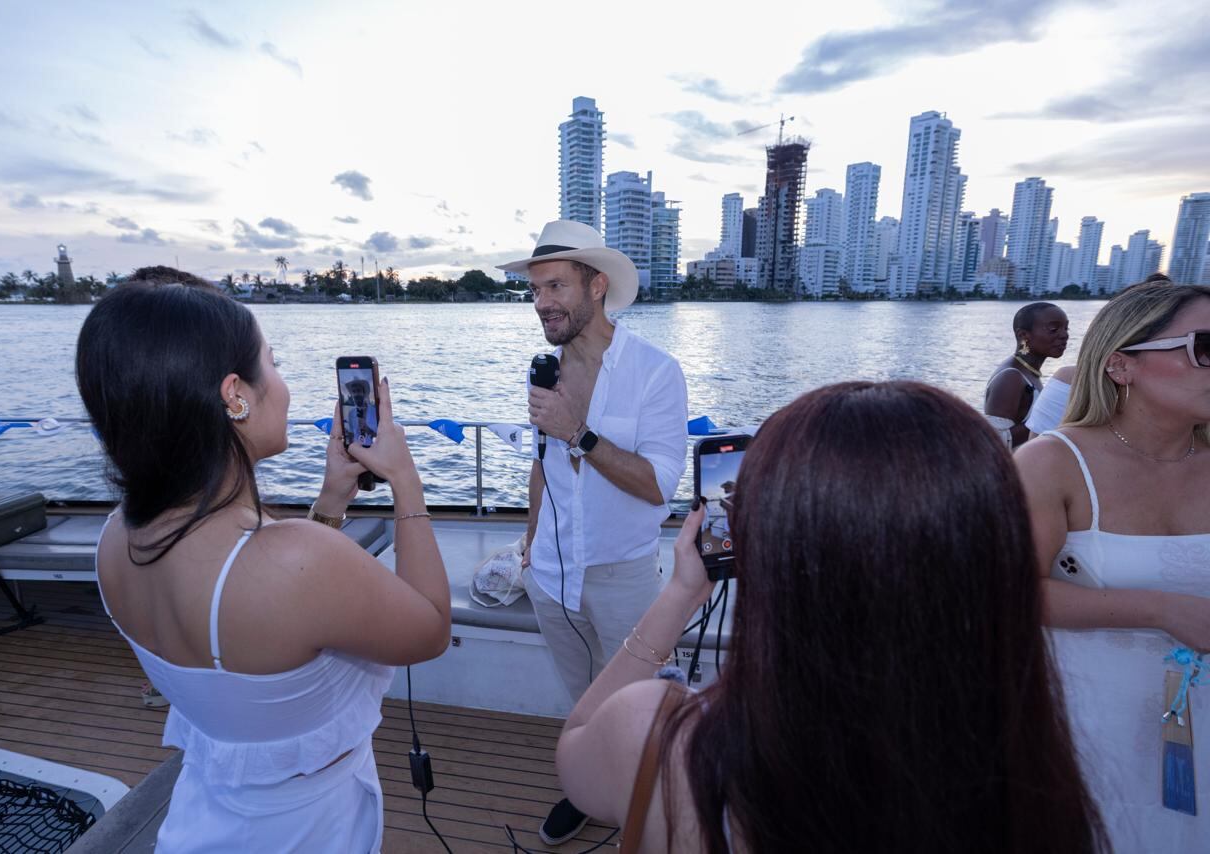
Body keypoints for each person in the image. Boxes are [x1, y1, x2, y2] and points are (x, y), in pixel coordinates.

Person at [558, 381, 1108, 853]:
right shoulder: (1031, 772)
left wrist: (680, 593)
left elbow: (577, 750)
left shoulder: (657, 733)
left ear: (770, 547)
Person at [75, 277, 451, 853]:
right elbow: (431, 629)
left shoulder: (115, 538)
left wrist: (331, 500)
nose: (283, 384)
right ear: (235, 395)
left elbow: (271, 607)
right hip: (308, 830)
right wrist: (405, 479)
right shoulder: (295, 558)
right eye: (272, 364)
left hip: (206, 818)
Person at [498, 220, 689, 845]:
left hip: (622, 576)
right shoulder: (544, 371)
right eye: (535, 290)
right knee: (584, 703)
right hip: (552, 575)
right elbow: (542, 465)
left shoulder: (656, 372)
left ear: (597, 286)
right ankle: (586, 788)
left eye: (555, 286)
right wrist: (530, 543)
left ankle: (651, 810)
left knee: (641, 708)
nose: (541, 302)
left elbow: (659, 485)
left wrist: (578, 432)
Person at [1016, 281, 1210, 850]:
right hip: (1091, 728)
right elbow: (1011, 592)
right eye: (1205, 346)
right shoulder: (1051, 463)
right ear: (1122, 365)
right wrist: (1159, 610)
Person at [984, 302, 1070, 448]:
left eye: (1066, 328)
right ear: (1023, 335)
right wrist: (1050, 415)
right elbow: (992, 443)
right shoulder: (1011, 378)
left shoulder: (1028, 372)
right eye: (1054, 329)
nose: (1064, 335)